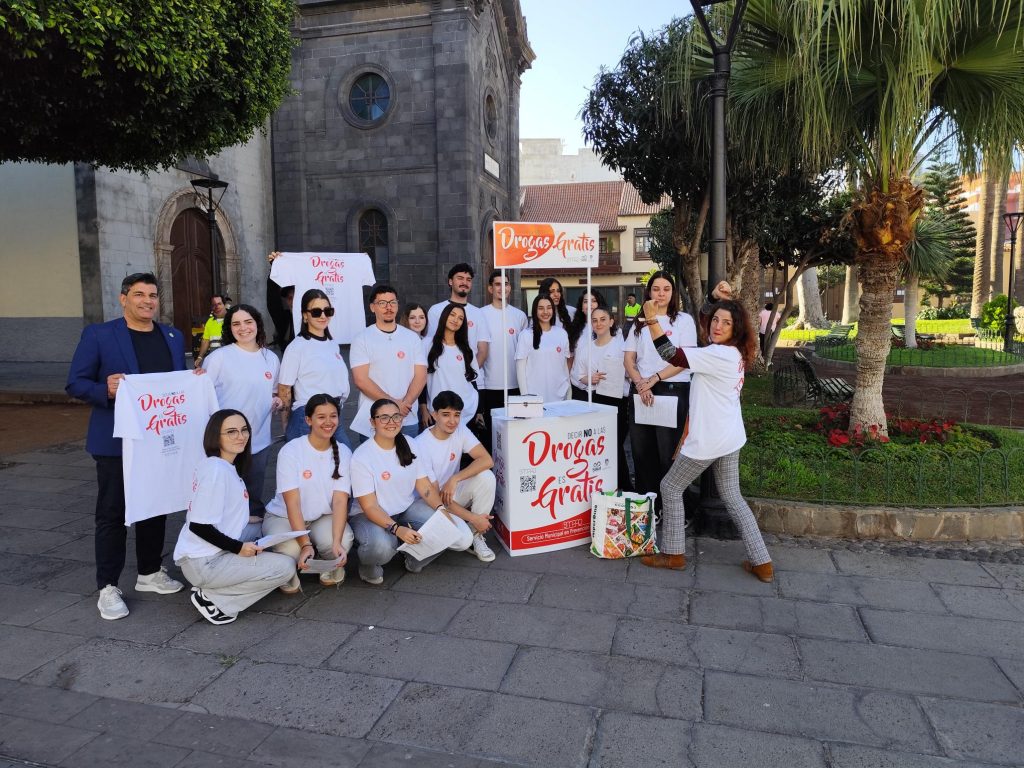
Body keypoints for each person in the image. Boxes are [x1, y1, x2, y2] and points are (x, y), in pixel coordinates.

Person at [66, 272, 186, 621]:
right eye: (139, 294)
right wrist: (105, 389)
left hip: (158, 440)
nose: (147, 301)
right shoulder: (100, 334)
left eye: (152, 295)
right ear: (123, 299)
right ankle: (108, 586)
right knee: (113, 513)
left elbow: (174, 384)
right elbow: (75, 383)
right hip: (117, 442)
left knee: (154, 507)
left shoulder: (172, 336)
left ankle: (149, 572)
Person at [637, 294, 774, 582]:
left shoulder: (718, 354)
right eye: (715, 320)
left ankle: (673, 555)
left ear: (735, 328)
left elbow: (671, 354)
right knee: (733, 497)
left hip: (709, 440)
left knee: (670, 487)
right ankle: (762, 562)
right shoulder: (732, 352)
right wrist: (717, 299)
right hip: (730, 436)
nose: (717, 326)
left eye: (726, 322)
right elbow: (696, 334)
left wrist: (651, 320)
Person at [173, 410, 295, 624]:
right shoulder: (216, 473)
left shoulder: (220, 465)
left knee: (265, 529)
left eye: (244, 430)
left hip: (207, 554)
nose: (240, 436)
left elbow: (216, 509)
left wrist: (245, 519)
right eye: (231, 432)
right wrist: (239, 549)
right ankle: (214, 599)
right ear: (215, 436)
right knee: (285, 568)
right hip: (204, 562)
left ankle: (220, 583)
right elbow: (199, 526)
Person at [348, 398, 474, 584]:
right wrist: (397, 529)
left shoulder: (408, 442)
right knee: (383, 547)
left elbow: (424, 486)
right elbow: (370, 506)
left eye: (396, 416)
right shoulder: (362, 456)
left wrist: (441, 510)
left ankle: (414, 558)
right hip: (369, 516)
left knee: (459, 535)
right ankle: (369, 565)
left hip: (406, 508)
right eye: (384, 418)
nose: (391, 422)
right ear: (372, 422)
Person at [201, 304, 281, 532]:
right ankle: (222, 534)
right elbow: (202, 395)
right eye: (236, 323)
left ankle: (252, 538)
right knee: (226, 492)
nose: (243, 328)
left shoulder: (270, 358)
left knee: (253, 493)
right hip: (226, 441)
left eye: (248, 322)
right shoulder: (218, 358)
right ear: (229, 328)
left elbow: (274, 390)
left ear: (257, 324)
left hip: (259, 438)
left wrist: (276, 400)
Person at [263, 394, 354, 592]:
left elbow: (340, 501)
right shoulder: (291, 451)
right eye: (321, 417)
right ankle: (290, 568)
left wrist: (337, 543)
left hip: (321, 516)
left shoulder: (344, 452)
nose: (328, 422)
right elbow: (292, 503)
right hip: (283, 517)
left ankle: (324, 561)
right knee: (292, 550)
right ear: (308, 420)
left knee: (342, 542)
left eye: (333, 416)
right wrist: (304, 544)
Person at [624, 271, 697, 506]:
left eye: (666, 289)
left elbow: (683, 359)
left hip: (672, 388)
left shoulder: (684, 320)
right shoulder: (639, 322)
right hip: (642, 390)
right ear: (649, 291)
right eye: (656, 289)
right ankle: (647, 508)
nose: (661, 294)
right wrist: (640, 383)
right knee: (642, 453)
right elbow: (629, 360)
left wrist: (654, 378)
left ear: (673, 293)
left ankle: (675, 508)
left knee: (669, 455)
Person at [414, 390, 497, 562]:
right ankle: (417, 544)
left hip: (450, 492)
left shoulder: (460, 430)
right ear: (434, 414)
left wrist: (455, 478)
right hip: (429, 502)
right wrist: (474, 518)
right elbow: (437, 498)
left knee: (487, 477)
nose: (452, 421)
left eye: (456, 415)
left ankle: (477, 536)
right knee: (462, 540)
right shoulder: (421, 444)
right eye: (446, 415)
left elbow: (487, 460)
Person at [350, 285, 427, 440]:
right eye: (382, 303)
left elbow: (421, 376)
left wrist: (406, 402)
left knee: (408, 461)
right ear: (372, 307)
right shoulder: (362, 339)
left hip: (407, 417)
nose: (388, 307)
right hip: (374, 420)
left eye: (392, 302)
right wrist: (393, 405)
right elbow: (361, 380)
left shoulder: (411, 338)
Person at [277, 289, 351, 446]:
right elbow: (284, 388)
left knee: (344, 461)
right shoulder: (297, 347)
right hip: (308, 417)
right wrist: (286, 425)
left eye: (328, 311)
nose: (323, 316)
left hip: (334, 414)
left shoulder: (332, 345)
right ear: (305, 315)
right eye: (316, 312)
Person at [570, 306, 632, 490]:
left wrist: (623, 374)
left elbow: (632, 372)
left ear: (611, 322)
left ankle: (625, 488)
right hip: (596, 402)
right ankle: (605, 488)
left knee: (615, 445)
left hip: (618, 402)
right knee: (600, 447)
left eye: (603, 319)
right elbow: (576, 375)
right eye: (595, 320)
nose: (599, 323)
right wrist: (589, 379)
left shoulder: (622, 347)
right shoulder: (585, 349)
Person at [479, 270, 528, 448]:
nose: (502, 288)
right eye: (497, 284)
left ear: (510, 287)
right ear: (490, 289)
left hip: (515, 385)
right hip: (490, 386)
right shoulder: (480, 315)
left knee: (515, 437)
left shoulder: (520, 316)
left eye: (505, 284)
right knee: (492, 437)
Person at [424, 303, 482, 432]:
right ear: (444, 316)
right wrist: (423, 409)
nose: (456, 320)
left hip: (466, 410)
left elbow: (473, 381)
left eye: (461, 318)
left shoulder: (466, 349)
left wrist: (479, 411)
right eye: (453, 315)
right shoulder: (428, 345)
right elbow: (421, 379)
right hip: (438, 411)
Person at [426, 263, 491, 369]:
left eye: (468, 280)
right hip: (444, 375)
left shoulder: (478, 313)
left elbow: (483, 350)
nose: (464, 282)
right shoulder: (436, 310)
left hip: (472, 379)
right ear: (450, 281)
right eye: (460, 278)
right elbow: (431, 344)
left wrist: (470, 373)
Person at [515, 294, 571, 402]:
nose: (545, 312)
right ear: (535, 311)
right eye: (541, 308)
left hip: (559, 396)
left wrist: (568, 392)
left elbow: (564, 366)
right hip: (535, 398)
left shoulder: (562, 333)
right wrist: (525, 397)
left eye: (549, 308)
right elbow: (520, 369)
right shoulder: (526, 335)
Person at [194, 294, 229, 368]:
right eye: (214, 305)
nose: (217, 307)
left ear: (224, 305)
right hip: (214, 357)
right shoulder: (209, 322)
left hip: (229, 356)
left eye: (219, 304)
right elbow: (206, 340)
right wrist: (200, 357)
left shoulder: (233, 319)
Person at [567, 290, 607, 355]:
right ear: (581, 307)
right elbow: (570, 356)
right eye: (586, 301)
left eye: (594, 301)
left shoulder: (609, 328)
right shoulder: (574, 329)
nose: (590, 304)